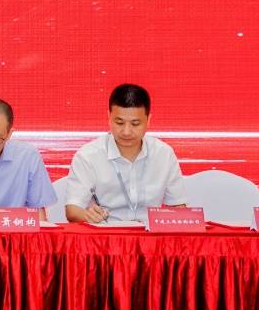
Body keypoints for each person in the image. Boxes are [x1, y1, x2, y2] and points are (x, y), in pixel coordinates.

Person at [62, 83, 187, 224]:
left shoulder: (163, 154)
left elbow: (178, 207)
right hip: (106, 232)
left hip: (150, 234)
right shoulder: (88, 156)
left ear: (148, 120)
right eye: (119, 123)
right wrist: (87, 215)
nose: (126, 132)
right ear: (109, 117)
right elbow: (73, 210)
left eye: (135, 124)